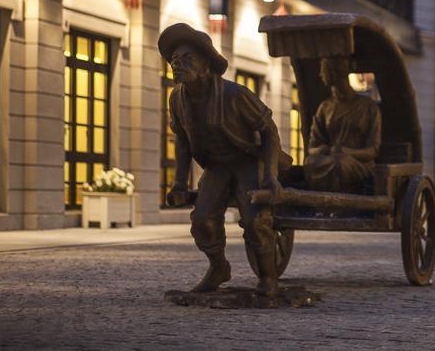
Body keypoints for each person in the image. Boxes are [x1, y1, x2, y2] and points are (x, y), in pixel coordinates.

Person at [159, 23, 291, 296]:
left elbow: (269, 131)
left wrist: (270, 176)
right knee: (202, 219)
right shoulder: (177, 99)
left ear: (206, 63)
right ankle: (218, 267)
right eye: (174, 61)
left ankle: (268, 279)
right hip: (218, 165)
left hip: (248, 159)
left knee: (256, 221)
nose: (177, 65)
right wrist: (179, 184)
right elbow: (182, 142)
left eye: (186, 59)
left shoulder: (235, 94)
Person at [304, 57, 382, 193]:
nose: (320, 75)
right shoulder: (325, 107)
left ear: (335, 73)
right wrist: (321, 150)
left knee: (340, 164)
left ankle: (338, 207)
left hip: (358, 164)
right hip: (330, 159)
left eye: (324, 71)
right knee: (310, 163)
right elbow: (312, 147)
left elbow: (373, 150)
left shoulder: (368, 107)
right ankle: (320, 204)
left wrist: (348, 152)